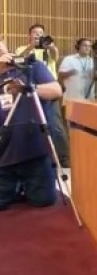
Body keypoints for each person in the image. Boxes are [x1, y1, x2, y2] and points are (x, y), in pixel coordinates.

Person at [0, 36, 63, 210]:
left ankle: (23, 186)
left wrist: (29, 88)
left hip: (33, 151)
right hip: (3, 156)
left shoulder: (31, 66)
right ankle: (17, 187)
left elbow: (56, 91)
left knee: (44, 200)